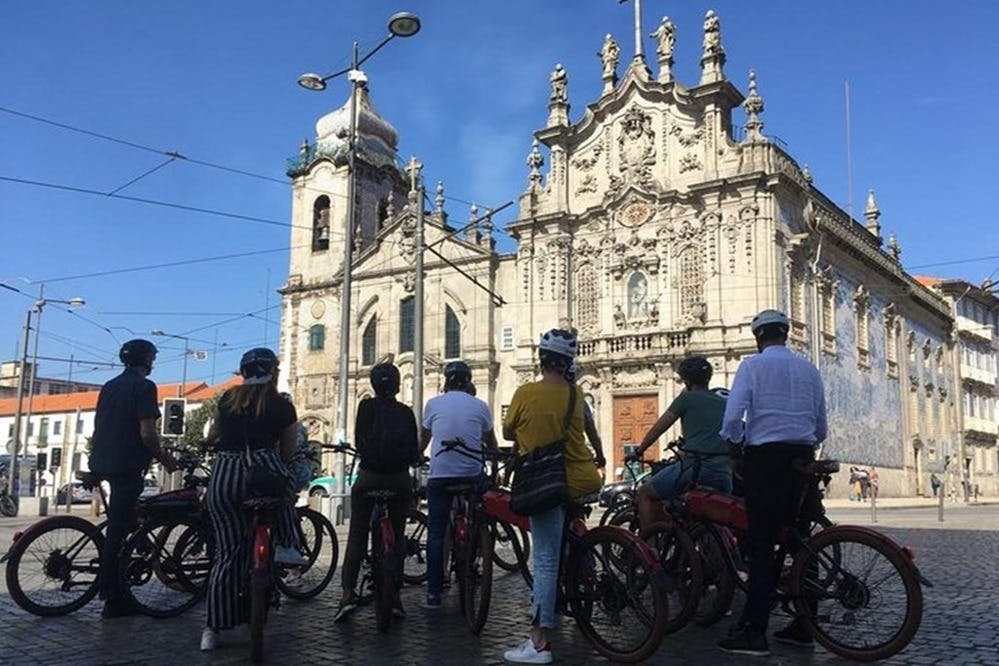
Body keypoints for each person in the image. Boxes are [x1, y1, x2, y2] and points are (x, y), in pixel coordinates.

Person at [717, 310, 827, 656]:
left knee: (762, 546)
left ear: (757, 338)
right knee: (800, 541)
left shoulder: (752, 366)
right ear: (786, 335)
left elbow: (734, 416)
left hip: (767, 461)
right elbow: (821, 425)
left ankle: (754, 631)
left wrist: (733, 446)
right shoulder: (810, 369)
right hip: (803, 458)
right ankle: (805, 625)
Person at [501, 329, 602, 665]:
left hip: (547, 483)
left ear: (541, 359)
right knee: (561, 543)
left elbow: (507, 431)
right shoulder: (577, 395)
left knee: (544, 561)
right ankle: (577, 571)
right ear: (568, 363)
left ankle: (540, 643)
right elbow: (589, 430)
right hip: (583, 478)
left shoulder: (526, 393)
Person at [201, 348, 304, 651]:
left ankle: (212, 629)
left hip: (225, 477)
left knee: (227, 555)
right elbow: (286, 453)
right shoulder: (282, 405)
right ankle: (287, 546)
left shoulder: (227, 399)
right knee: (285, 489)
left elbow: (214, 436)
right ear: (273, 371)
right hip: (263, 473)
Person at [89, 339, 178, 619]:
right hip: (127, 464)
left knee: (124, 522)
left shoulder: (110, 385)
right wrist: (164, 458)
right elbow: (147, 433)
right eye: (152, 357)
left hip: (101, 460)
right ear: (147, 360)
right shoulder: (144, 387)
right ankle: (113, 597)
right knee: (117, 532)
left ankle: (131, 557)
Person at [335, 362, 420, 623]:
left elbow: (360, 440)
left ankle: (348, 594)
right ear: (396, 385)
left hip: (369, 478)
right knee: (397, 533)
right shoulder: (405, 412)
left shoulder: (366, 407)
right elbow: (414, 451)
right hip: (398, 480)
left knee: (357, 535)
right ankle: (394, 597)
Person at [421, 360, 499, 608]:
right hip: (470, 475)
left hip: (440, 477)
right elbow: (491, 443)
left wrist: (416, 455)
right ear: (469, 381)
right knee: (479, 514)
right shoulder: (480, 406)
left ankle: (434, 592)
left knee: (436, 532)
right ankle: (476, 546)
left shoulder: (432, 404)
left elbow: (422, 441)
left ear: (446, 381)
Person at [629, 356, 731, 532]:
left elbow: (659, 428)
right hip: (724, 473)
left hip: (695, 469)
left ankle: (649, 545)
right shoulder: (725, 402)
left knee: (645, 492)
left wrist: (639, 450)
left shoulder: (687, 399)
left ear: (687, 380)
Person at [566, 363, 607, 471]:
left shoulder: (532, 394)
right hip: (573, 459)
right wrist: (600, 456)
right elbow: (592, 432)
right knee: (593, 484)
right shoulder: (578, 399)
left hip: (543, 461)